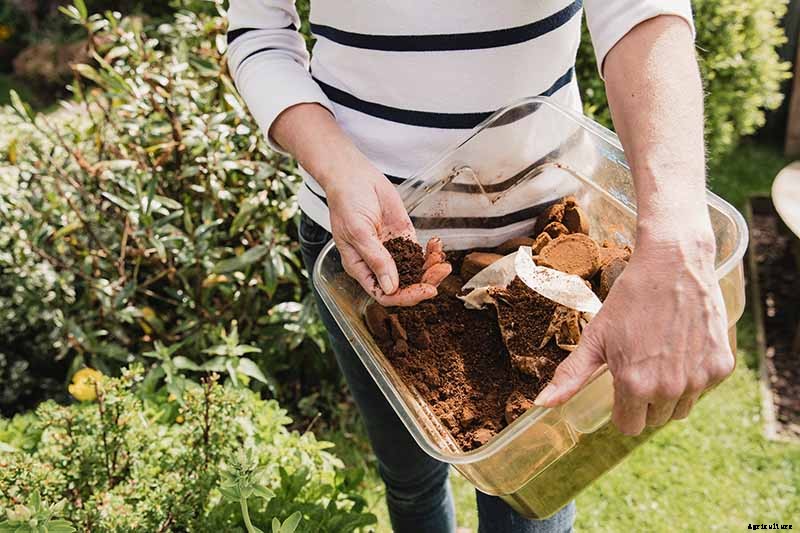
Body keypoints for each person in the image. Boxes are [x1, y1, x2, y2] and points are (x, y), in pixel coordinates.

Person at [226, 1, 735, 531]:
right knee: (410, 479)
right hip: (370, 251)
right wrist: (338, 167)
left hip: (547, 249)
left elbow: (641, 11)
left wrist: (677, 244)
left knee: (532, 504)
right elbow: (258, 32)